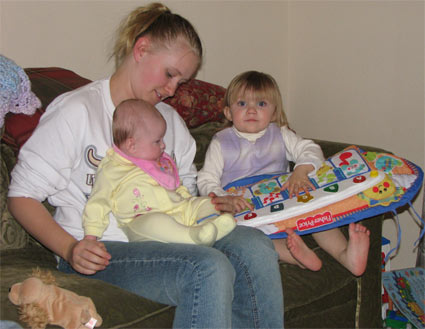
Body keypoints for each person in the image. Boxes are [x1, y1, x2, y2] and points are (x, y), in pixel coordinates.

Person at [7, 4, 284, 328]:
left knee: (255, 246)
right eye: (169, 74)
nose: (171, 90)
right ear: (141, 49)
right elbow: (21, 196)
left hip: (172, 237)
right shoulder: (78, 111)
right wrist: (70, 249)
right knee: (208, 267)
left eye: (181, 82)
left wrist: (211, 205)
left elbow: (182, 197)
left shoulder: (170, 122)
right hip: (101, 250)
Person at [198, 70, 370, 276]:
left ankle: (346, 255)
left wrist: (301, 170)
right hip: (244, 203)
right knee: (251, 234)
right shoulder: (221, 141)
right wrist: (224, 199)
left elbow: (310, 149)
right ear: (228, 112)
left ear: (273, 112)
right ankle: (298, 257)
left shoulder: (280, 134)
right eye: (242, 104)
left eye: (261, 104)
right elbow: (207, 178)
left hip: (283, 195)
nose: (251, 111)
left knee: (317, 212)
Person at [83, 98, 235, 246]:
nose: (163, 145)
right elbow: (98, 202)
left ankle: (209, 226)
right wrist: (91, 236)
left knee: (207, 203)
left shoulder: (160, 161)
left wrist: (189, 201)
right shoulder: (112, 168)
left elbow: (176, 185)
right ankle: (193, 236)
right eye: (157, 141)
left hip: (179, 209)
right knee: (156, 222)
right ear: (132, 145)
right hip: (142, 221)